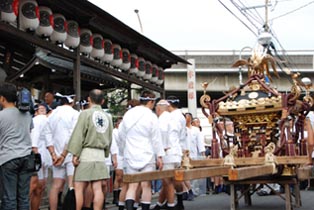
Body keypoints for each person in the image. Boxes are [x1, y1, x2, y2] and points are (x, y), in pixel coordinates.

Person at [67, 89, 113, 210]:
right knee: (97, 188)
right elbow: (110, 137)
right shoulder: (108, 116)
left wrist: (75, 154)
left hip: (86, 153)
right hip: (100, 155)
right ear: (102, 101)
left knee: (79, 187)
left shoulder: (85, 114)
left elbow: (78, 135)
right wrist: (106, 153)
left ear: (89, 99)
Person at [118, 90, 165, 210]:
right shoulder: (151, 116)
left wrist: (123, 150)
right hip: (146, 152)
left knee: (132, 186)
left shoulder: (128, 114)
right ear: (150, 102)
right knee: (146, 185)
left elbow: (121, 135)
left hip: (130, 152)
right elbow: (156, 138)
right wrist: (159, 156)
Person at [0, 83, 33, 210]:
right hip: (26, 157)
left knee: (9, 198)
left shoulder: (1, 116)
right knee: (24, 198)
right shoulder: (27, 114)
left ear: (2, 98)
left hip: (8, 159)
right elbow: (29, 131)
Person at [46, 93, 79, 210]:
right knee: (72, 185)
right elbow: (73, 135)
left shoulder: (52, 114)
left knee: (56, 185)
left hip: (56, 154)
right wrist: (63, 155)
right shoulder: (75, 114)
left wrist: (53, 154)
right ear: (72, 101)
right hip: (70, 153)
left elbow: (47, 134)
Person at [153, 99, 182, 210]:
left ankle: (171, 205)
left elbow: (162, 133)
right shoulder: (173, 118)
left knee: (167, 181)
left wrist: (162, 148)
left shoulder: (162, 118)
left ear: (159, 108)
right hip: (176, 152)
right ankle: (164, 204)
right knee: (174, 180)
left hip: (168, 152)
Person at [29, 104, 57, 210]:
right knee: (34, 185)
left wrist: (53, 154)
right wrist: (35, 156)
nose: (43, 111)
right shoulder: (38, 119)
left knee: (40, 187)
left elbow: (49, 139)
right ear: (35, 112)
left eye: (45, 110)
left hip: (43, 156)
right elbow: (34, 141)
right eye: (40, 109)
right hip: (37, 156)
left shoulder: (47, 121)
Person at [166, 96, 187, 210]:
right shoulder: (181, 116)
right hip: (178, 149)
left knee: (168, 179)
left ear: (169, 105)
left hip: (170, 150)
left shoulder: (171, 117)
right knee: (176, 178)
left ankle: (170, 204)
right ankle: (179, 201)